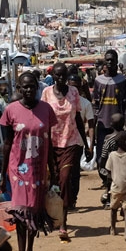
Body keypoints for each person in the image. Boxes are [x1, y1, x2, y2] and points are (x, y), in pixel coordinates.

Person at [0, 71, 57, 251]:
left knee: (35, 213)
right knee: (22, 214)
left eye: (32, 86)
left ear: (37, 87)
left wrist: (54, 170)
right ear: (19, 89)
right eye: (25, 86)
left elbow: (50, 143)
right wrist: (3, 171)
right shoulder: (10, 110)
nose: (29, 90)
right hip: (18, 170)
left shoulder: (46, 110)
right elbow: (7, 144)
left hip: (39, 170)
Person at [41, 62, 92, 241]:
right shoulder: (46, 93)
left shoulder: (74, 92)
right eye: (58, 75)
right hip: (51, 143)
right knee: (50, 180)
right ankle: (47, 216)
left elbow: (78, 118)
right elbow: (42, 118)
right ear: (53, 76)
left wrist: (86, 145)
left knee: (64, 179)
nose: (61, 78)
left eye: (63, 75)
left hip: (70, 142)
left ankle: (63, 222)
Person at [92, 49, 126, 158]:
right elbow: (96, 104)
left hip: (118, 125)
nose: (109, 62)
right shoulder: (98, 81)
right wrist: (93, 125)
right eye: (107, 60)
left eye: (112, 60)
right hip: (102, 123)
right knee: (101, 157)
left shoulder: (123, 80)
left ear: (117, 61)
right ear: (104, 61)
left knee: (117, 157)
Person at [67, 73, 95, 209]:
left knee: (74, 173)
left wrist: (89, 146)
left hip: (78, 143)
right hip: (61, 143)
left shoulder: (85, 104)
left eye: (77, 87)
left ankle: (72, 199)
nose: (75, 90)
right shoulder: (62, 101)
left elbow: (90, 126)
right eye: (72, 87)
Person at [105, 131, 126, 242]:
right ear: (125, 143)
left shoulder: (112, 155)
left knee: (113, 209)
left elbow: (108, 171)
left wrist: (111, 181)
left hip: (115, 188)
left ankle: (113, 229)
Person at [98, 113, 126, 200]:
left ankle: (108, 200)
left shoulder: (108, 137)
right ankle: (123, 199)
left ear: (111, 124)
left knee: (110, 182)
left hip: (111, 165)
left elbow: (104, 152)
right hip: (124, 164)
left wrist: (101, 164)